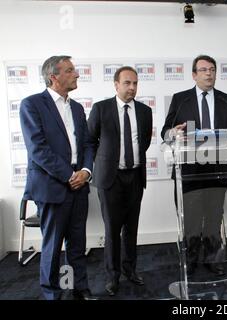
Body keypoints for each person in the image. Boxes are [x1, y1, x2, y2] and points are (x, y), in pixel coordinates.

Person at [19, 55, 96, 300]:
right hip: (53, 187)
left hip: (79, 185)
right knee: (52, 247)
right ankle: (52, 294)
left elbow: (87, 144)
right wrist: (68, 175)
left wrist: (85, 172)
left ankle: (79, 289)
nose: (76, 74)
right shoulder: (31, 104)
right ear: (54, 76)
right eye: (71, 70)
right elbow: (38, 149)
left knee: (77, 245)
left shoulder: (76, 107)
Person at [161, 55, 227, 276]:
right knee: (192, 218)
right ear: (194, 75)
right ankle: (192, 258)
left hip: (217, 170)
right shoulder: (181, 99)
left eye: (212, 69)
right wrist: (173, 132)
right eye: (204, 70)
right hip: (190, 170)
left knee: (214, 217)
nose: (209, 73)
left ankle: (213, 258)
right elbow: (165, 131)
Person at [87, 66, 153, 295]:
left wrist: (130, 160)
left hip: (135, 177)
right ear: (116, 85)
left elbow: (143, 142)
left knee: (131, 228)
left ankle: (130, 270)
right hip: (110, 179)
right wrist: (105, 161)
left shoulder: (145, 111)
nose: (132, 88)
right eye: (127, 83)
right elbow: (90, 140)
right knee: (112, 229)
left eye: (135, 83)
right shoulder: (101, 108)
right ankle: (112, 276)